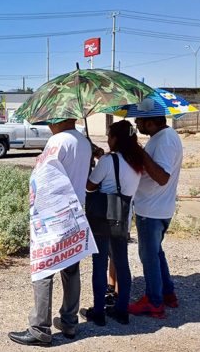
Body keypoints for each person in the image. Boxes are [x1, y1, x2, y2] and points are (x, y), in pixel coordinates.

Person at [8, 118, 92, 347]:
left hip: (54, 214)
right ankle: (69, 322)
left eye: (51, 120)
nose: (48, 125)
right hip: (75, 211)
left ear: (60, 119)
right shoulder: (84, 142)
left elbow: (43, 177)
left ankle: (40, 328)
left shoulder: (58, 141)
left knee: (44, 268)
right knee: (71, 268)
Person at [79, 120, 145, 326]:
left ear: (116, 139)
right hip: (123, 217)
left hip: (103, 216)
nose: (107, 140)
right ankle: (122, 310)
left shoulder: (109, 160)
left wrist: (92, 162)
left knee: (99, 264)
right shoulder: (137, 160)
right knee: (122, 263)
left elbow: (90, 186)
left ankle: (98, 312)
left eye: (109, 136)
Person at [128, 116, 182, 318]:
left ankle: (154, 302)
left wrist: (140, 152)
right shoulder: (162, 137)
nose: (136, 125)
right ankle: (167, 293)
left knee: (149, 257)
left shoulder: (165, 140)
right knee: (156, 253)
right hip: (156, 207)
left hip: (152, 210)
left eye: (139, 122)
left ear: (150, 122)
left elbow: (162, 177)